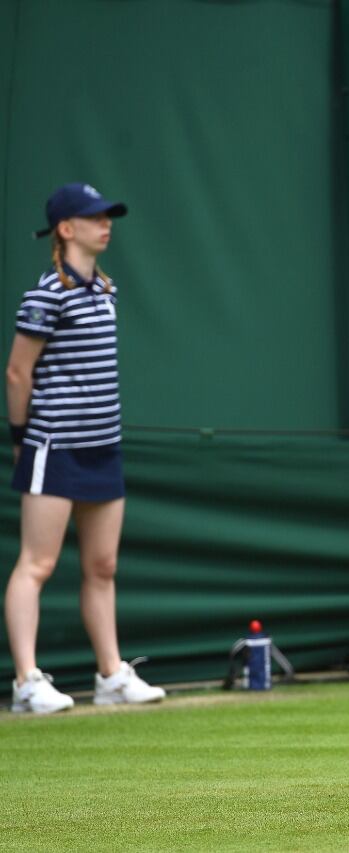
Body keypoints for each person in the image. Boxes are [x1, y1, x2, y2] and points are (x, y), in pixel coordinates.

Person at [6, 183, 166, 714]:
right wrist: (20, 440)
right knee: (38, 563)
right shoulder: (45, 295)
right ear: (66, 229)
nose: (107, 224)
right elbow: (17, 373)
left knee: (103, 566)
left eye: (109, 217)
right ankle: (27, 681)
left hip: (104, 446)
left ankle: (110, 676)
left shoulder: (106, 290)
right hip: (54, 445)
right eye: (95, 217)